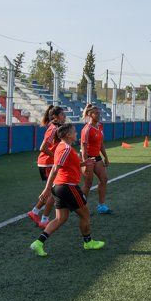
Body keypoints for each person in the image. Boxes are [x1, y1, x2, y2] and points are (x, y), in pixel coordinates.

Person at [30, 123, 104, 257]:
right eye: (74, 132)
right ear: (68, 135)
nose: (76, 134)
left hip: (60, 188)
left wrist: (84, 163)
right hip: (68, 187)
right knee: (85, 215)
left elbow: (68, 165)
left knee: (61, 218)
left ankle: (38, 243)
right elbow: (55, 169)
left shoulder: (63, 147)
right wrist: (46, 190)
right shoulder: (66, 149)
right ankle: (88, 242)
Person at [27, 106, 66, 228]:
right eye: (62, 114)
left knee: (52, 191)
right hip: (47, 163)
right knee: (54, 192)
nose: (64, 116)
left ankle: (35, 212)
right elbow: (43, 148)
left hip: (50, 162)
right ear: (55, 116)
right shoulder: (53, 128)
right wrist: (56, 156)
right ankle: (44, 219)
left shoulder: (57, 127)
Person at [81, 104, 112, 214]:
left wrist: (106, 158)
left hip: (97, 158)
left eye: (99, 113)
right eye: (96, 113)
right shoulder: (87, 129)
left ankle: (101, 206)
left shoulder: (99, 126)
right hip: (88, 158)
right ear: (90, 114)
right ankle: (80, 206)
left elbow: (101, 143)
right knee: (88, 184)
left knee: (104, 179)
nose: (99, 115)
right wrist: (85, 164)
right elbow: (83, 147)